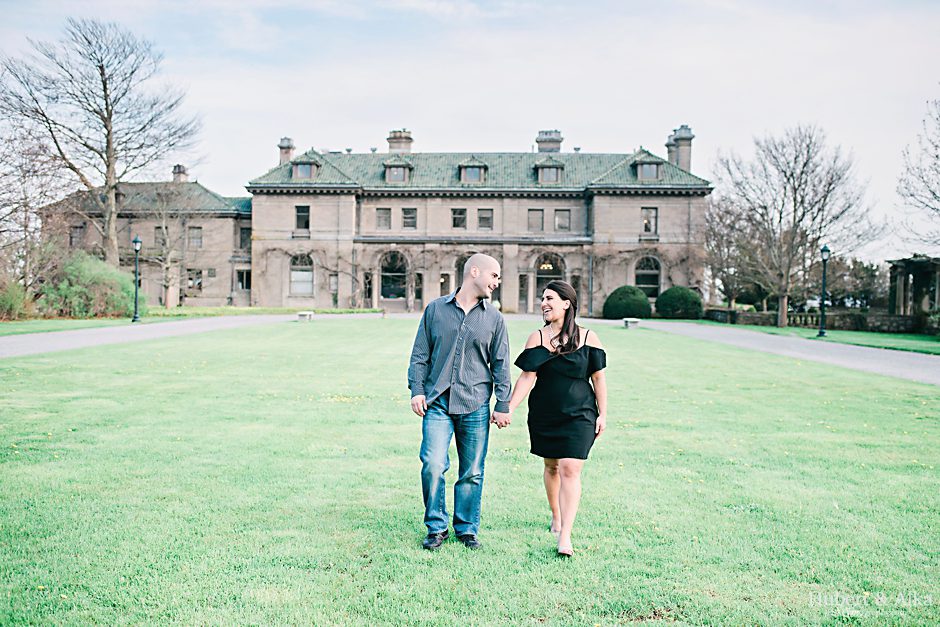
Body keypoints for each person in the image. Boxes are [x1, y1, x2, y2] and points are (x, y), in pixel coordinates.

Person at [408, 253, 512, 551]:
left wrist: (502, 403)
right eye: (494, 275)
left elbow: (501, 364)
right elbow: (420, 355)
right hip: (437, 403)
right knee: (433, 464)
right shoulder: (435, 310)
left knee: (473, 471)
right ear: (474, 272)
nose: (497, 282)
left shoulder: (494, 318)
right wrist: (417, 390)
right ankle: (436, 528)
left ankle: (466, 529)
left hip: (476, 403)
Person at [506, 279, 607, 557]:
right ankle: (556, 514)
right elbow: (527, 378)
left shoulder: (589, 338)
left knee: (570, 469)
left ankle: (565, 536)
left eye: (550, 298)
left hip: (581, 414)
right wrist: (510, 407)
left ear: (567, 303)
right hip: (545, 414)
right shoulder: (536, 338)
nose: (544, 303)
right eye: (542, 298)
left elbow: (598, 379)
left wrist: (604, 414)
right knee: (551, 467)